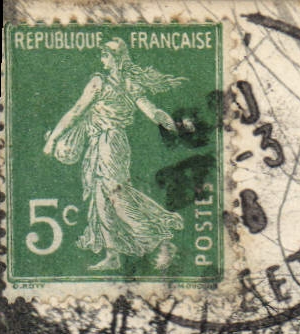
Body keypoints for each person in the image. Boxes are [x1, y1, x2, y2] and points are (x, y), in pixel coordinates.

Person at [43, 39, 194, 271]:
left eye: (105, 55)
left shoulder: (102, 83)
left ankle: (160, 242)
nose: (102, 59)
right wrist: (176, 126)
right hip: (101, 143)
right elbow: (153, 113)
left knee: (117, 197)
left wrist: (53, 139)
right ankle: (112, 255)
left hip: (110, 144)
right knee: (100, 198)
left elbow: (76, 111)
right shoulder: (125, 83)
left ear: (116, 58)